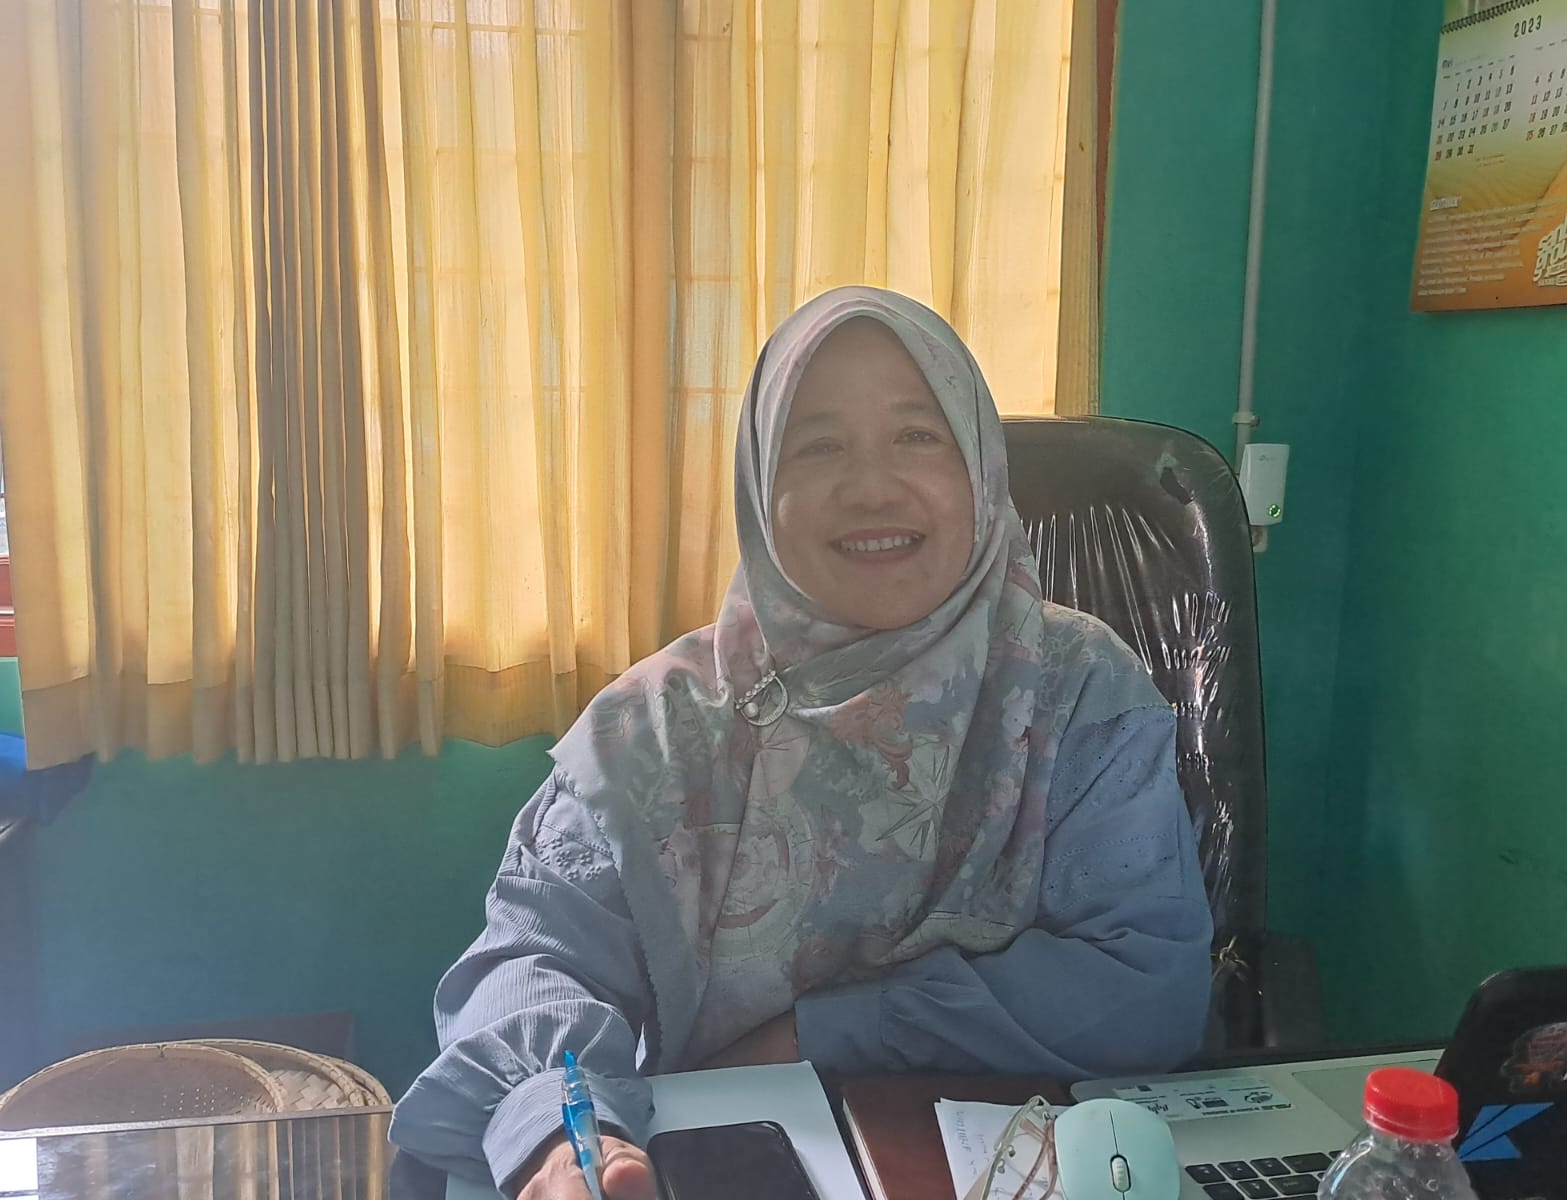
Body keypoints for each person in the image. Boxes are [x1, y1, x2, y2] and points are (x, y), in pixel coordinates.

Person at [388, 287, 1214, 1199]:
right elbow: (533, 963)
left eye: (918, 435)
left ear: (982, 470)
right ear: (757, 488)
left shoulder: (1076, 689)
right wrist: (561, 1141)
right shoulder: (654, 730)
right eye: (818, 446)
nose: (871, 487)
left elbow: (1146, 986)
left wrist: (818, 1034)